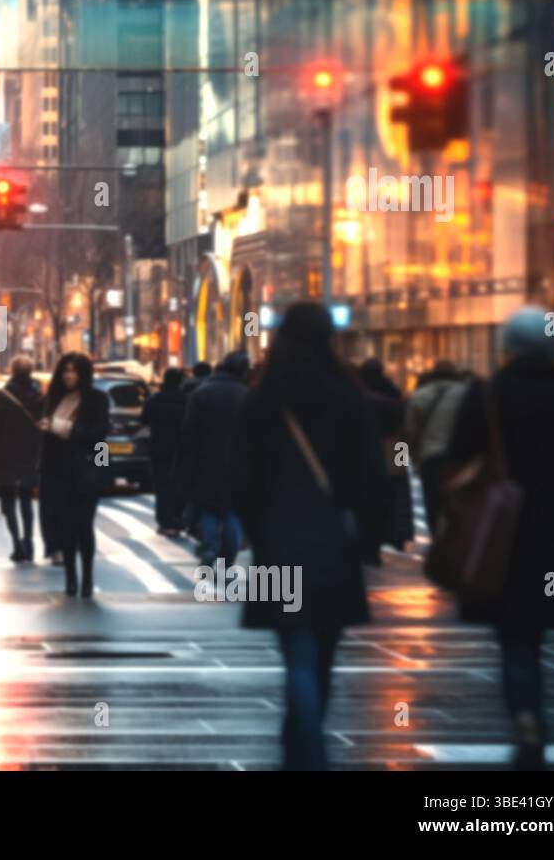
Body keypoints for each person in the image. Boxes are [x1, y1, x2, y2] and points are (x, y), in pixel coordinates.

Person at [443, 307, 554, 770]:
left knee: (515, 635)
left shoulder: (488, 394)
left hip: (500, 532)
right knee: (540, 626)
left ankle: (526, 715)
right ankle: (535, 711)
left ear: (508, 347)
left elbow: (455, 461)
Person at [232, 302, 387, 770]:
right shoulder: (348, 396)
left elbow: (241, 479)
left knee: (295, 649)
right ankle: (308, 745)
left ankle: (303, 747)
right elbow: (373, 477)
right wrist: (371, 536)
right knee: (323, 652)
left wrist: (256, 530)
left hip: (277, 542)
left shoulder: (262, 398)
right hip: (333, 542)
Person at [40, 353, 111, 598]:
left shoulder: (97, 399)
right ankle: (71, 578)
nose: (69, 375)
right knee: (66, 529)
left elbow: (100, 436)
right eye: (65, 370)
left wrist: (62, 428)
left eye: (74, 370)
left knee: (84, 527)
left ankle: (88, 578)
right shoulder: (53, 399)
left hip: (85, 474)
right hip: (58, 474)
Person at [178, 350, 250, 567]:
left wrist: (185, 464)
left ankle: (209, 546)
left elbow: (189, 432)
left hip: (206, 461)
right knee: (233, 510)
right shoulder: (247, 395)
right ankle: (229, 553)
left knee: (208, 507)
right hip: (239, 463)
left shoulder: (203, 393)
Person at [0, 356, 45, 562]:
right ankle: (29, 541)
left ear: (11, 371)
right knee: (26, 500)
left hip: (6, 459)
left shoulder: (1, 397)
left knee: (9, 504)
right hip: (30, 457)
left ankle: (17, 543)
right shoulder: (39, 398)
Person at [403, 360, 468, 534]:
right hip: (459, 456)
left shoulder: (420, 395)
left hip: (430, 455)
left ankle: (436, 538)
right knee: (458, 501)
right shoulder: (466, 393)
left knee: (432, 500)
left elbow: (409, 431)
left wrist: (407, 459)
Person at [358, 357, 413, 556]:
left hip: (369, 451)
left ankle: (373, 536)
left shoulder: (359, 396)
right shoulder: (393, 392)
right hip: (397, 445)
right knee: (399, 488)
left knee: (370, 494)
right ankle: (399, 533)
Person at [140, 367, 188, 534]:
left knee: (162, 486)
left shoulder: (155, 400)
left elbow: (143, 419)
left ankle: (165, 521)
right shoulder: (186, 400)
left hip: (159, 447)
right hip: (181, 448)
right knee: (179, 484)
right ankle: (177, 519)